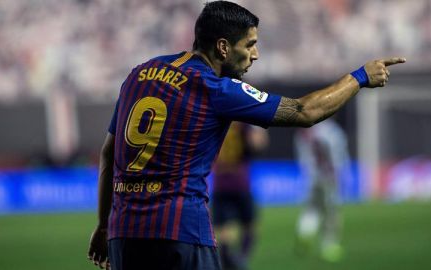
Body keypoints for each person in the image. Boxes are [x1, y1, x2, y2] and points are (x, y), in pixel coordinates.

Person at [87, 1, 406, 269]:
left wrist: (103, 225)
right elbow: (303, 111)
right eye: (250, 45)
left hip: (123, 234)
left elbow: (107, 153)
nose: (255, 55)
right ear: (223, 47)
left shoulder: (138, 74)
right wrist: (360, 77)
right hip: (180, 233)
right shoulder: (216, 89)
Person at [211, 122, 268, 270]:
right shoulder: (243, 122)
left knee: (223, 229)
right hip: (240, 181)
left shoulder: (217, 120)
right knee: (249, 224)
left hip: (220, 181)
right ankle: (241, 259)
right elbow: (257, 143)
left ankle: (227, 260)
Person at [294, 117, 350, 262]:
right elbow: (338, 156)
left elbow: (302, 154)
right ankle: (329, 247)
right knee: (332, 213)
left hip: (312, 176)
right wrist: (340, 175)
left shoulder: (306, 130)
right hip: (329, 177)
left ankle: (305, 232)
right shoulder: (332, 131)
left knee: (312, 208)